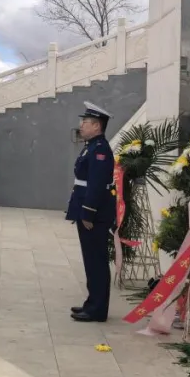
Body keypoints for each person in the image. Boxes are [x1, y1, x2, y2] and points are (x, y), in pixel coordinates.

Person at [66, 102, 115, 323]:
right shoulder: (91, 146)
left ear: (96, 126)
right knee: (90, 259)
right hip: (86, 209)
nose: (81, 126)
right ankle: (91, 303)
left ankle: (97, 309)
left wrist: (88, 213)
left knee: (96, 260)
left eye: (85, 122)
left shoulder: (100, 150)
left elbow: (97, 183)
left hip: (94, 214)